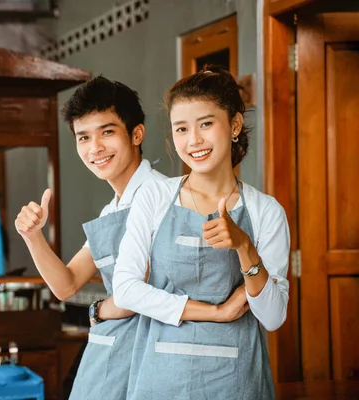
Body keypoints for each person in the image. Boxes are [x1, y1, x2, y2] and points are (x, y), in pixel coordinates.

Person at [15, 76, 251, 400]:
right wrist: (32, 236)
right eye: (83, 137)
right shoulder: (112, 207)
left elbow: (141, 292)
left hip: (153, 354)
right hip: (115, 354)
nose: (94, 147)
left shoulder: (161, 197)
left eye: (107, 132)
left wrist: (99, 311)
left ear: (136, 133)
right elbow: (66, 285)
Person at [112, 65, 290, 399]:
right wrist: (217, 312)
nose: (193, 140)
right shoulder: (156, 197)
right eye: (181, 129)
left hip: (235, 379)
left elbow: (273, 316)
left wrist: (244, 246)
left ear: (234, 125)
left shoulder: (265, 211)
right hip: (161, 378)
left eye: (206, 124)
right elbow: (125, 290)